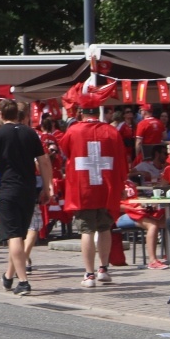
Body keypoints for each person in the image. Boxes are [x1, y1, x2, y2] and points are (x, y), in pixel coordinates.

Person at [0, 99, 52, 296]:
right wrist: (47, 187)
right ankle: (8, 276)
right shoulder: (30, 133)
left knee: (14, 237)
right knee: (20, 235)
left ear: (0, 114)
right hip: (28, 189)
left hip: (8, 189)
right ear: (19, 115)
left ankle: (23, 282)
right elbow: (44, 161)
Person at [59, 85, 128, 287]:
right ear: (98, 111)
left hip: (83, 188)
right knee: (105, 227)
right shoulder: (112, 131)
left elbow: (65, 151)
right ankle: (103, 269)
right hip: (106, 188)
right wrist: (121, 183)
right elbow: (122, 161)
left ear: (81, 111)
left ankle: (89, 274)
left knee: (86, 230)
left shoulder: (73, 131)